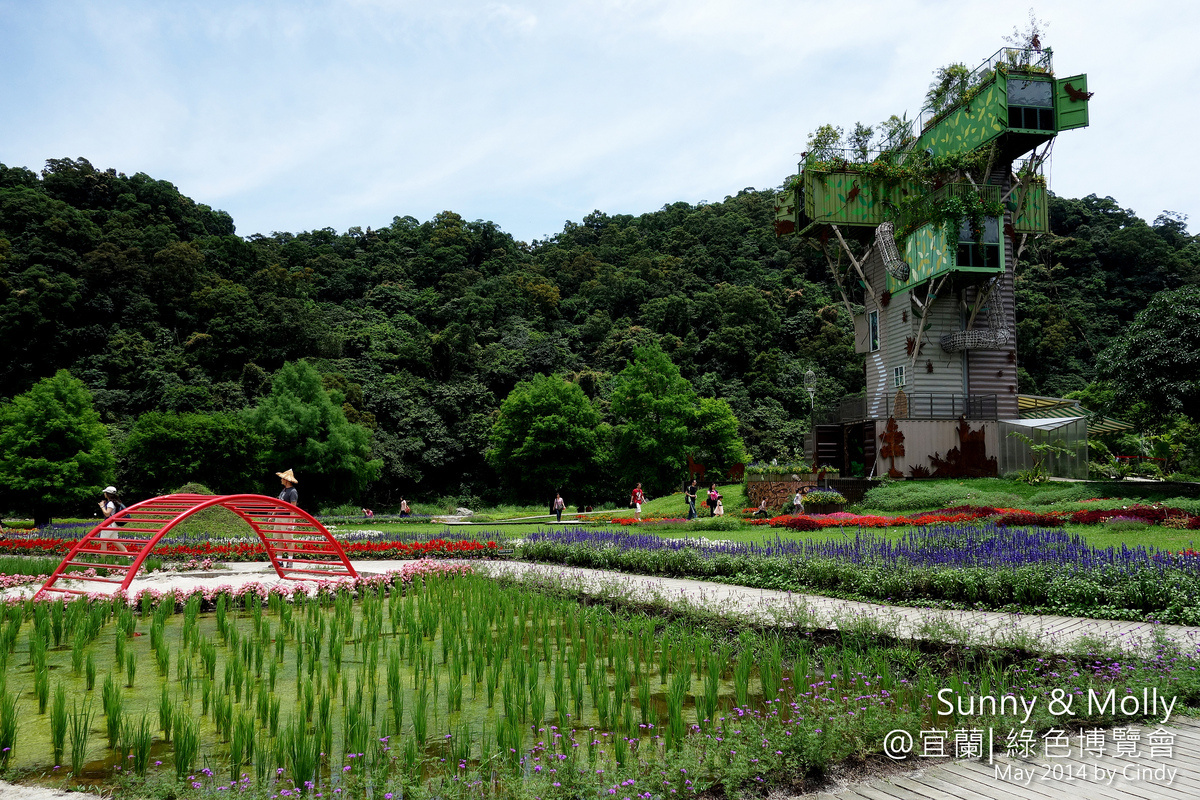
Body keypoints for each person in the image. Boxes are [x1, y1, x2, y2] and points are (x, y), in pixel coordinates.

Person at [275, 469, 299, 568]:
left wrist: (290, 522)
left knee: (289, 540)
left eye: (282, 478)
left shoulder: (293, 492)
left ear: (286, 480)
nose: (281, 480)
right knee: (279, 539)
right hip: (279, 517)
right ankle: (279, 561)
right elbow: (278, 503)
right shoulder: (283, 490)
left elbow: (293, 507)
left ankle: (290, 561)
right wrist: (273, 515)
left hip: (286, 517)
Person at [96, 486, 129, 553]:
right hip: (114, 525)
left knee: (103, 542)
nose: (104, 493)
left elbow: (107, 514)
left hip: (109, 524)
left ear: (107, 494)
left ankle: (102, 561)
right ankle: (128, 555)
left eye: (105, 492)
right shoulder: (116, 502)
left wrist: (102, 506)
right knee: (115, 541)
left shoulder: (110, 503)